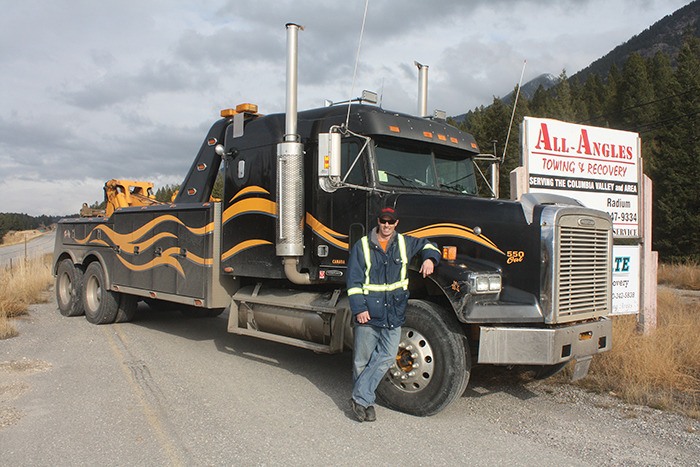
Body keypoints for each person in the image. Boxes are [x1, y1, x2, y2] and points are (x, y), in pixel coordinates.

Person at [346, 206, 441, 422]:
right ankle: (366, 403)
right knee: (362, 360)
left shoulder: (404, 243)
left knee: (387, 357)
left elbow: (430, 245)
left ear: (396, 224)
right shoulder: (362, 246)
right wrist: (359, 309)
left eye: (391, 222)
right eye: (383, 221)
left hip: (393, 314)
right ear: (378, 221)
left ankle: (359, 397)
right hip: (368, 313)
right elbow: (354, 281)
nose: (386, 225)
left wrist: (429, 259)